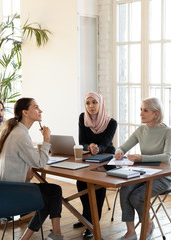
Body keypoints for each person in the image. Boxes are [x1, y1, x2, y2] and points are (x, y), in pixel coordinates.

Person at [0, 97, 64, 240]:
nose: (40, 110)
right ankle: (56, 234)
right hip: (12, 193)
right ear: (25, 112)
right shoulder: (20, 134)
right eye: (36, 107)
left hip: (6, 189)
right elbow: (40, 163)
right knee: (53, 192)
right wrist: (47, 140)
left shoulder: (18, 131)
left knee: (50, 193)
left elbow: (29, 168)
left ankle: (52, 234)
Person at [114, 97, 171, 240]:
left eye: (145, 110)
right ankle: (131, 232)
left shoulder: (168, 132)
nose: (141, 113)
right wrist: (119, 151)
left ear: (156, 114)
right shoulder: (141, 130)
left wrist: (141, 158)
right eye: (141, 110)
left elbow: (166, 157)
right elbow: (123, 146)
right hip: (143, 174)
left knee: (137, 196)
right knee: (125, 189)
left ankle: (147, 224)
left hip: (162, 177)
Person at [74, 92, 117, 239]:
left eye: (94, 102)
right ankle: (86, 218)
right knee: (81, 183)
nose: (91, 106)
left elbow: (106, 143)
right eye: (88, 103)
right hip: (90, 157)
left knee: (97, 186)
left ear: (100, 103)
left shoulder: (111, 122)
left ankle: (93, 225)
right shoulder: (83, 118)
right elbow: (82, 141)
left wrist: (98, 148)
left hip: (106, 158)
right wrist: (89, 146)